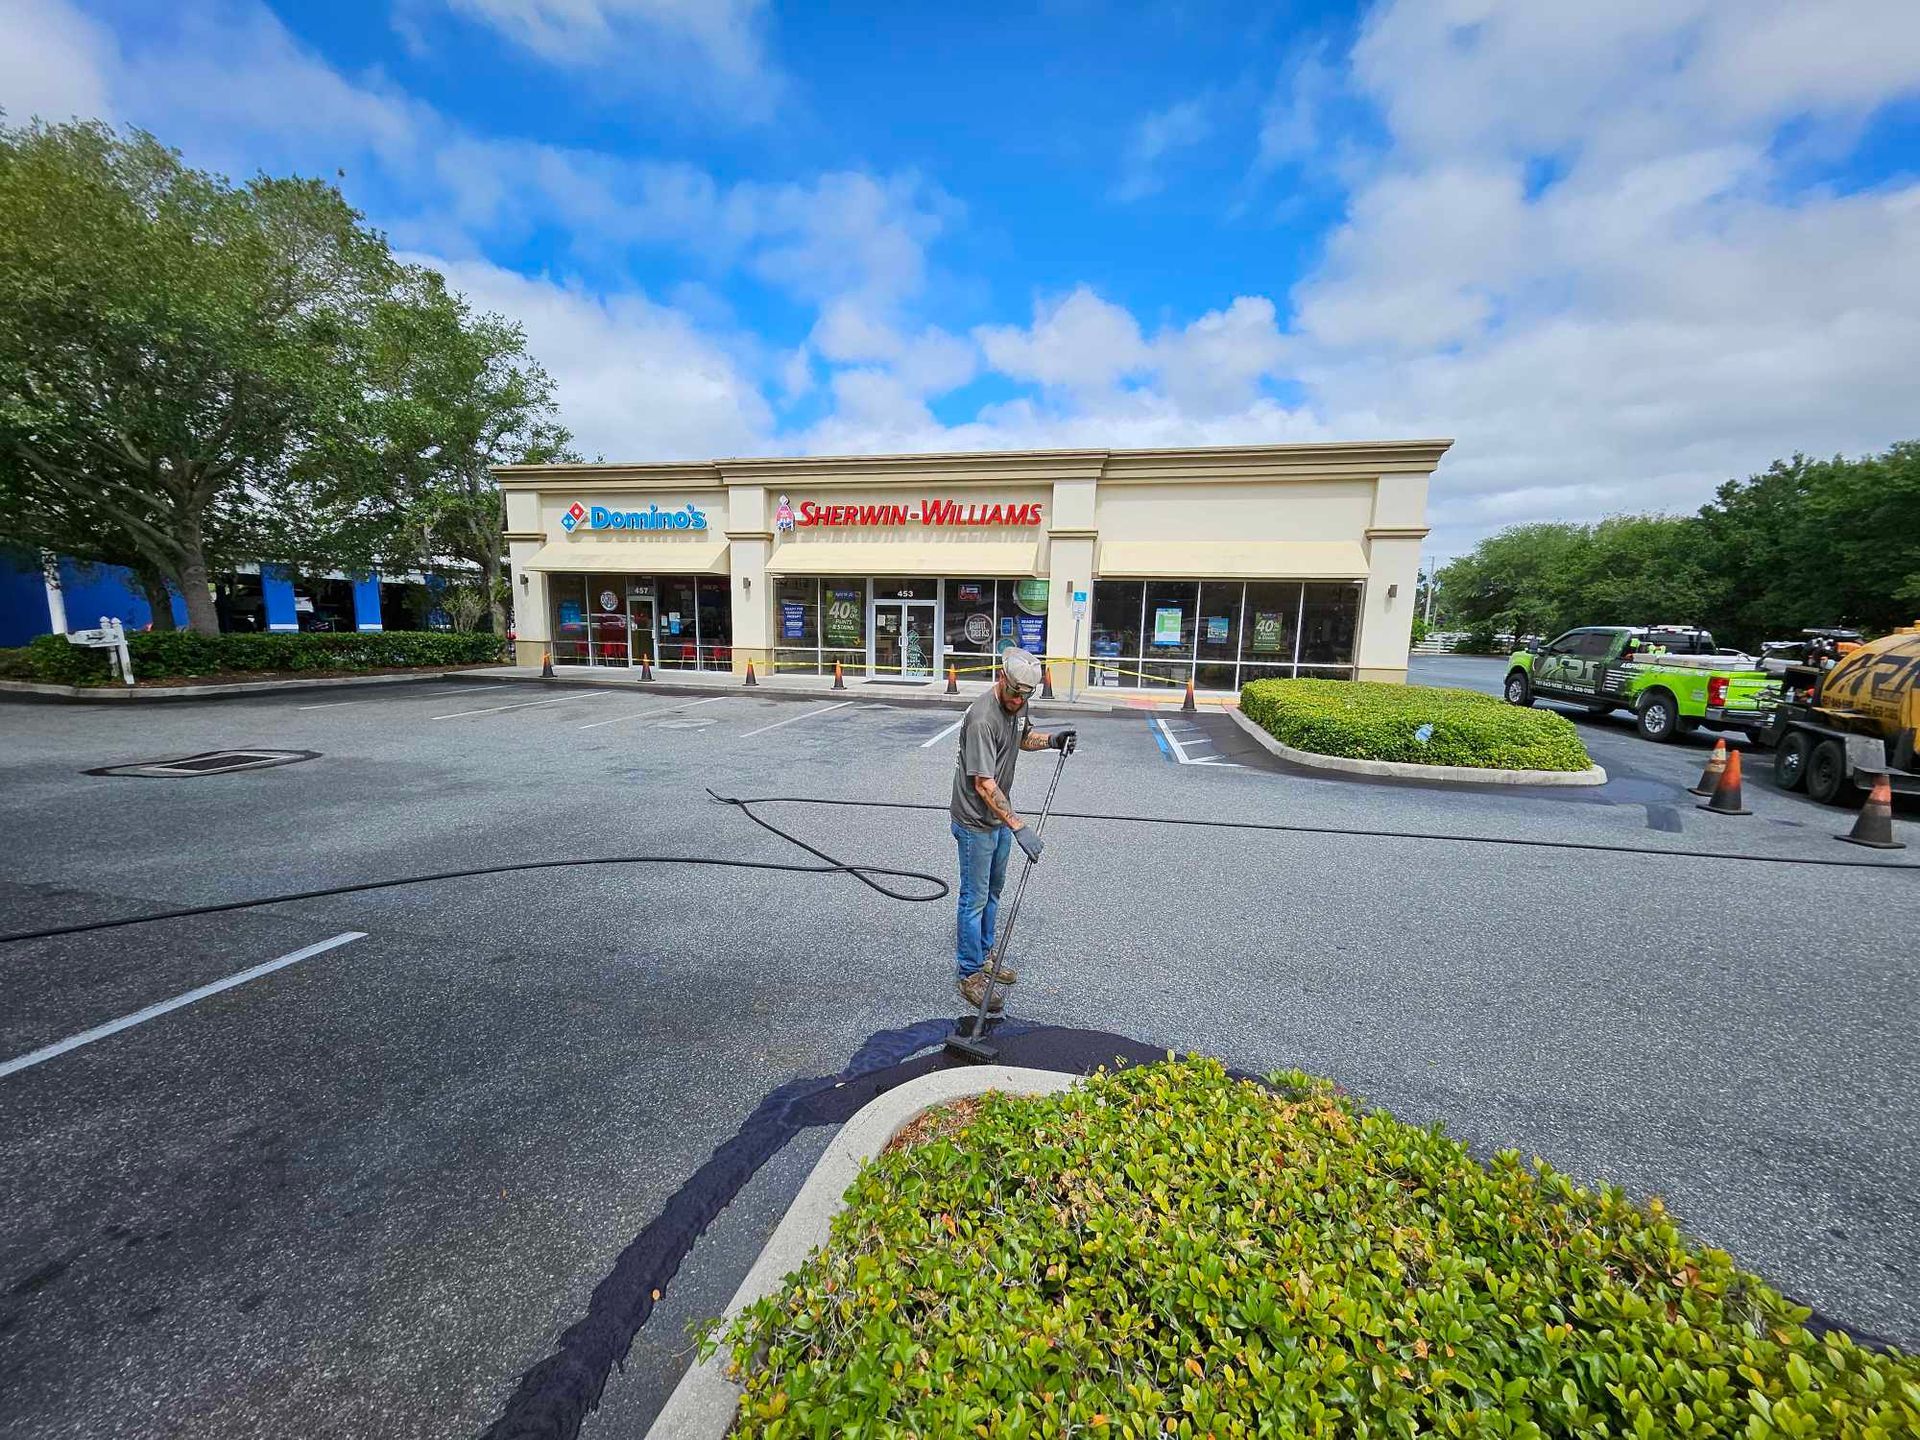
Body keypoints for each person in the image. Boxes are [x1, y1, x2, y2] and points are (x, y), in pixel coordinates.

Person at [950, 647, 1076, 1011]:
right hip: (975, 821)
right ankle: (970, 973)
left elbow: (1023, 736)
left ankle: (985, 955)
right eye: (1015, 693)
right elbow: (984, 784)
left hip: (999, 820)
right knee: (973, 899)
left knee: (993, 892)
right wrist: (1020, 827)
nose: (1018, 701)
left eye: (1025, 696)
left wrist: (1052, 740)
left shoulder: (1017, 703)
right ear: (1001, 679)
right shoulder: (981, 719)